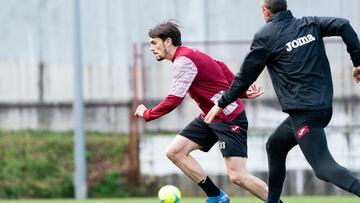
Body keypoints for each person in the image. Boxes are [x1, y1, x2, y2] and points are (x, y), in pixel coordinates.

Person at [204, 0, 360, 202]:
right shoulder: (309, 24)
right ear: (285, 8)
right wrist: (357, 62)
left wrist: (221, 103)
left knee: (322, 167)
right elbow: (343, 24)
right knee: (275, 146)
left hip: (305, 113)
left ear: (265, 11)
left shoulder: (265, 36)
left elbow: (244, 77)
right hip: (321, 109)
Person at [134, 20, 281, 203]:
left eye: (154, 42)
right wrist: (240, 92)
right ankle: (216, 196)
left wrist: (147, 113)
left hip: (229, 118)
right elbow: (220, 66)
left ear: (168, 41)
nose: (151, 47)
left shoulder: (183, 61)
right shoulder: (190, 54)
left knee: (238, 176)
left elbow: (174, 99)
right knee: (175, 152)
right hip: (210, 116)